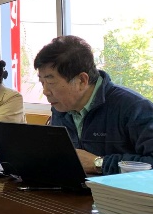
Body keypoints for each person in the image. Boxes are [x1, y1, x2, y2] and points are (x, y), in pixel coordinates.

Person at [34, 35, 153, 175]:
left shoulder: (134, 108)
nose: (45, 91)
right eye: (42, 82)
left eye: (51, 82)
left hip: (117, 189)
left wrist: (99, 163)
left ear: (82, 80)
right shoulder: (61, 107)